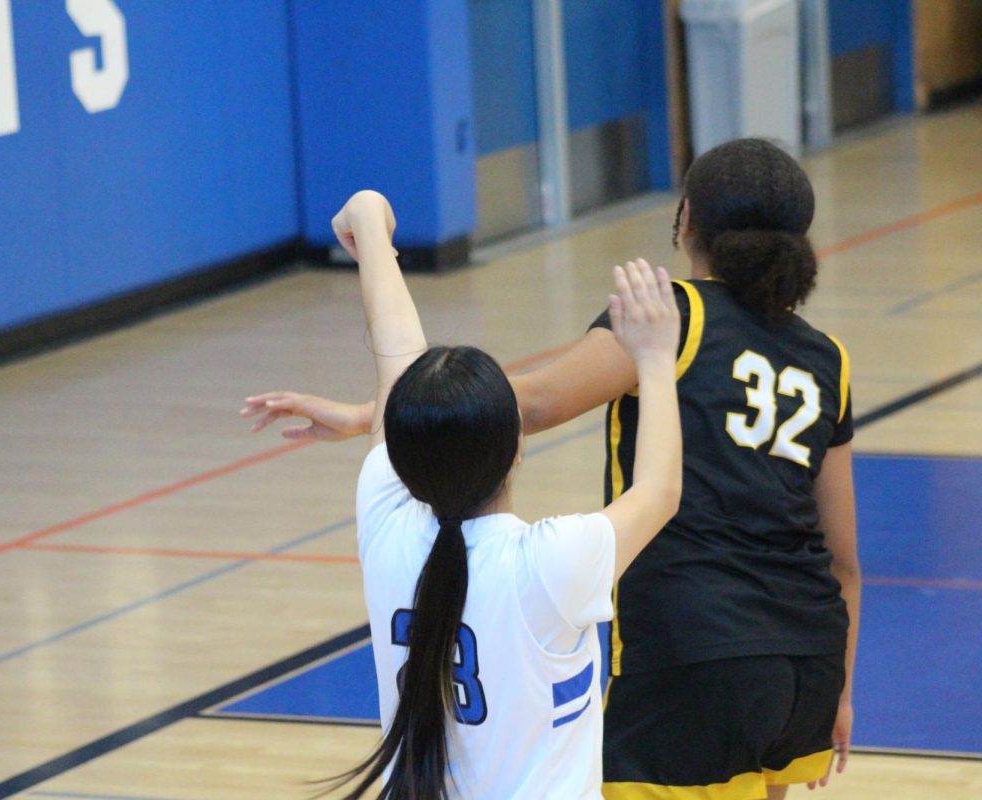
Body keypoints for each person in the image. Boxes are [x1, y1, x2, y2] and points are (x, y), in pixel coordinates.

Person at [242, 139, 860, 800]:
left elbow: (527, 402)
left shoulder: (667, 318)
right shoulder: (827, 359)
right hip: (806, 660)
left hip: (690, 655)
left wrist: (383, 415)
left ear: (685, 220)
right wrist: (841, 691)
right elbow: (843, 559)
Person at [302, 189, 682, 799]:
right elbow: (661, 491)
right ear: (517, 448)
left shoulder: (388, 521)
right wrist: (657, 358)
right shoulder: (550, 562)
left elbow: (399, 357)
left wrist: (372, 233)